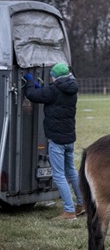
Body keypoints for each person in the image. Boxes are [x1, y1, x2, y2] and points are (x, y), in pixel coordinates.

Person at [24, 63, 84, 221]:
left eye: (52, 75)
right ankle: (82, 204)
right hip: (69, 138)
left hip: (56, 140)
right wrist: (41, 88)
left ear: (56, 76)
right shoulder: (71, 88)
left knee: (59, 176)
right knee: (71, 171)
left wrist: (29, 81)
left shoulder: (53, 90)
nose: (51, 77)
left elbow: (32, 95)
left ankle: (69, 211)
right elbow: (49, 94)